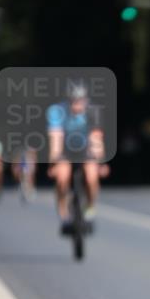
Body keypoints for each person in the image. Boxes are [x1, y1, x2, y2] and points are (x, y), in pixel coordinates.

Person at [46, 82, 108, 232]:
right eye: (73, 101)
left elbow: (96, 138)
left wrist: (101, 163)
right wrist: (53, 163)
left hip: (85, 148)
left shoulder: (93, 111)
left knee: (92, 178)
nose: (77, 105)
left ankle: (89, 207)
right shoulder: (57, 111)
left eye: (80, 101)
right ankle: (63, 213)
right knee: (62, 178)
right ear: (68, 100)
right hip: (66, 149)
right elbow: (56, 138)